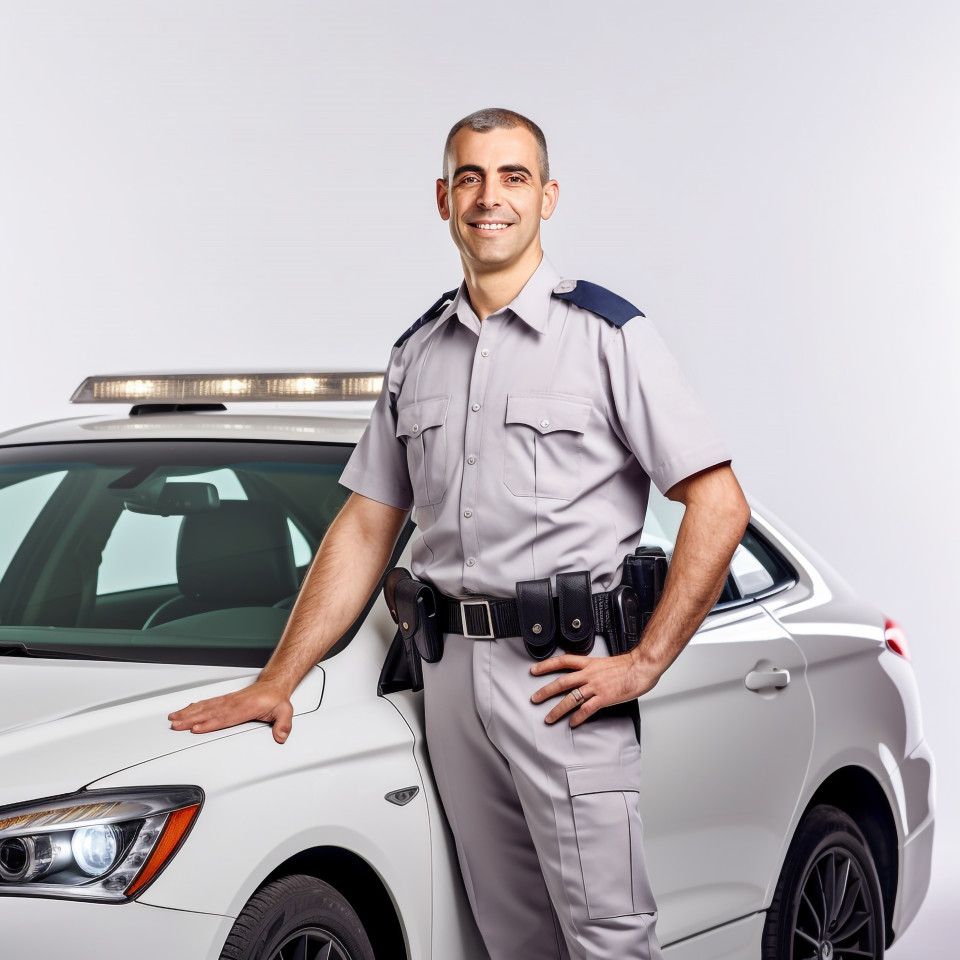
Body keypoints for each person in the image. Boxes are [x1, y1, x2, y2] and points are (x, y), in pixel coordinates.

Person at [169, 107, 750, 960]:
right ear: (443, 198)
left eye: (513, 176)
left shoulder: (607, 338)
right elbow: (367, 525)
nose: (490, 197)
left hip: (562, 678)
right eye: (470, 178)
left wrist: (644, 663)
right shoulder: (419, 353)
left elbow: (719, 503)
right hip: (448, 678)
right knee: (510, 937)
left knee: (609, 938)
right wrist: (278, 680)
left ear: (547, 197)